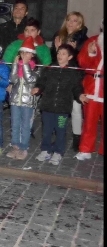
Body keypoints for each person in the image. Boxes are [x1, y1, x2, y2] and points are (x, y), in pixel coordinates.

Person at [33, 45, 84, 166]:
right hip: (47, 106)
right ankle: (45, 150)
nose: (60, 56)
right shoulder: (50, 69)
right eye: (58, 53)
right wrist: (38, 88)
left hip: (63, 109)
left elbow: (77, 87)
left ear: (70, 57)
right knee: (47, 130)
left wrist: (80, 95)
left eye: (63, 54)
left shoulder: (73, 72)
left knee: (60, 130)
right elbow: (42, 82)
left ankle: (58, 152)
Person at [52, 12, 89, 150]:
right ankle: (58, 135)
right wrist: (56, 50)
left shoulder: (84, 40)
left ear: (80, 24)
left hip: (74, 76)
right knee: (59, 107)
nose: (71, 23)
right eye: (69, 20)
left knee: (75, 108)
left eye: (75, 21)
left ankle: (77, 137)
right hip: (59, 76)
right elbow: (53, 59)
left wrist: (74, 51)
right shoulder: (59, 35)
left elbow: (84, 61)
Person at [7, 39, 42, 160]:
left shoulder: (37, 68)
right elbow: (13, 79)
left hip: (28, 101)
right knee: (15, 124)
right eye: (22, 53)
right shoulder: (18, 64)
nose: (24, 56)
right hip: (15, 100)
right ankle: (15, 145)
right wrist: (15, 66)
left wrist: (25, 64)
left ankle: (24, 147)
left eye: (27, 53)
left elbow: (31, 80)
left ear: (33, 54)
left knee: (25, 125)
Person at [75, 30, 103, 160]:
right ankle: (86, 149)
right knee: (89, 121)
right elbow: (82, 63)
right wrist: (90, 53)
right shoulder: (93, 40)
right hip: (91, 87)